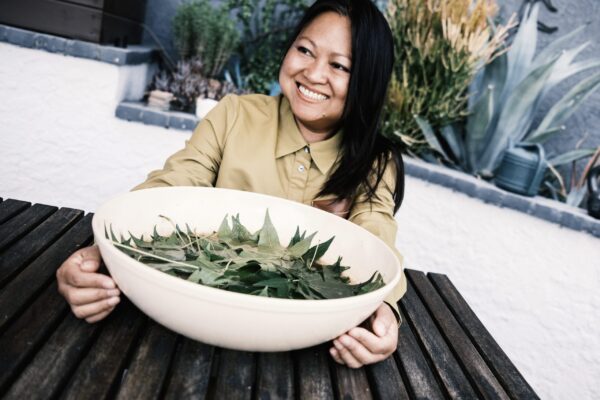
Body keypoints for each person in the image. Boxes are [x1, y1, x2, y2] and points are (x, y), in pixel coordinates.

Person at [56, 0, 407, 368]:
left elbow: (375, 235)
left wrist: (384, 309)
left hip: (301, 349)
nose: (314, 73)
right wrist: (102, 252)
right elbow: (175, 182)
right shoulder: (234, 115)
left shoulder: (375, 162)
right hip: (190, 315)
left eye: (339, 65)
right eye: (305, 50)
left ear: (368, 81)